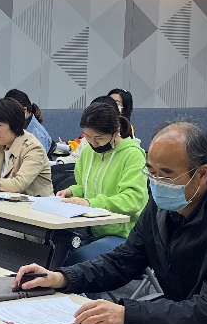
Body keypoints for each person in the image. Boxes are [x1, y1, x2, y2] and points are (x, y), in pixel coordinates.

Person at [13, 121, 207, 324]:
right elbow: (123, 260)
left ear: (202, 174)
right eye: (151, 172)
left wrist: (128, 314)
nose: (156, 182)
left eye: (166, 175)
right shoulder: (161, 206)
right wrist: (62, 277)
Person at [55, 100, 147, 265]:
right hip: (90, 229)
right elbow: (85, 186)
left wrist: (90, 203)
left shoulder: (133, 155)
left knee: (79, 260)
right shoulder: (88, 152)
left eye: (99, 138)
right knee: (54, 251)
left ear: (116, 132)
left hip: (123, 234)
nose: (93, 143)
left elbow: (132, 200)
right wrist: (72, 192)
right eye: (87, 136)